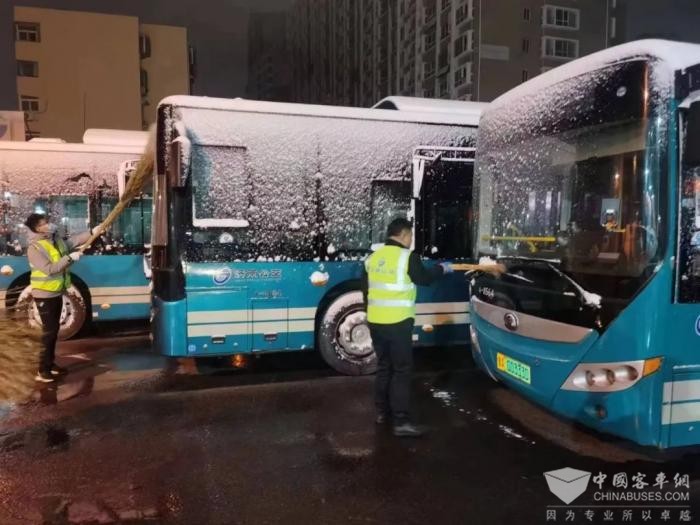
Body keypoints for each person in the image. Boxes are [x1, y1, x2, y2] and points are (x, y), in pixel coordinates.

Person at [361, 218, 452, 437]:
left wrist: (371, 314)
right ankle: (401, 421)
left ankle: (381, 412)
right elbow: (425, 278)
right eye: (410, 235)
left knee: (384, 366)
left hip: (375, 321)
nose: (411, 240)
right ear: (403, 235)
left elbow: (365, 291)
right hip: (398, 322)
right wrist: (442, 268)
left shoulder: (372, 259)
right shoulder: (407, 257)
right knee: (401, 370)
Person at [24, 213, 103, 383]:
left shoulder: (55, 240)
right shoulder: (34, 248)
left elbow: (73, 242)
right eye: (44, 223)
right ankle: (42, 370)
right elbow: (50, 269)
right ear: (37, 228)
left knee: (54, 331)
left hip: (56, 291)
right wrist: (69, 258)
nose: (49, 225)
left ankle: (50, 364)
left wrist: (92, 232)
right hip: (43, 294)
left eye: (48, 222)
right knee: (49, 332)